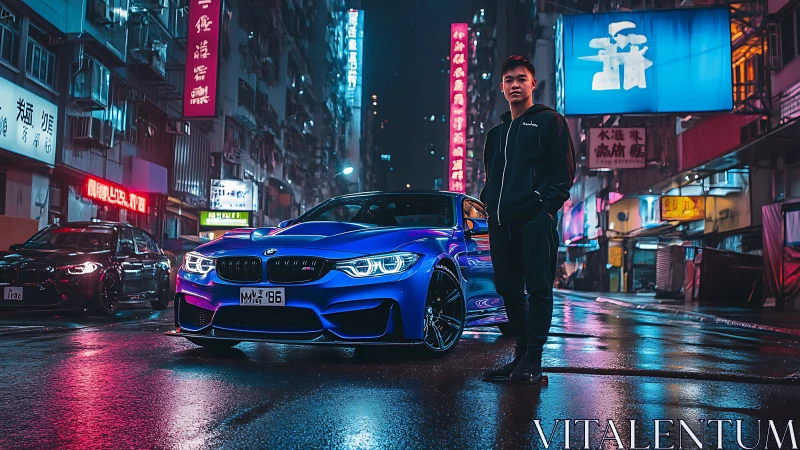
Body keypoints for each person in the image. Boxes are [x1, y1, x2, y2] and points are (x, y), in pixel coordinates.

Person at [479, 56, 576, 384]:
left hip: (535, 220)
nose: (514, 85)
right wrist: (489, 206)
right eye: (508, 80)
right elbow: (491, 178)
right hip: (501, 223)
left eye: (521, 79)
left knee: (537, 288)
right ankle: (520, 354)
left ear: (533, 84)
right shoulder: (496, 134)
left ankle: (534, 358)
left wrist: (546, 212)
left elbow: (563, 175)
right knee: (507, 287)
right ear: (502, 86)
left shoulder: (551, 123)